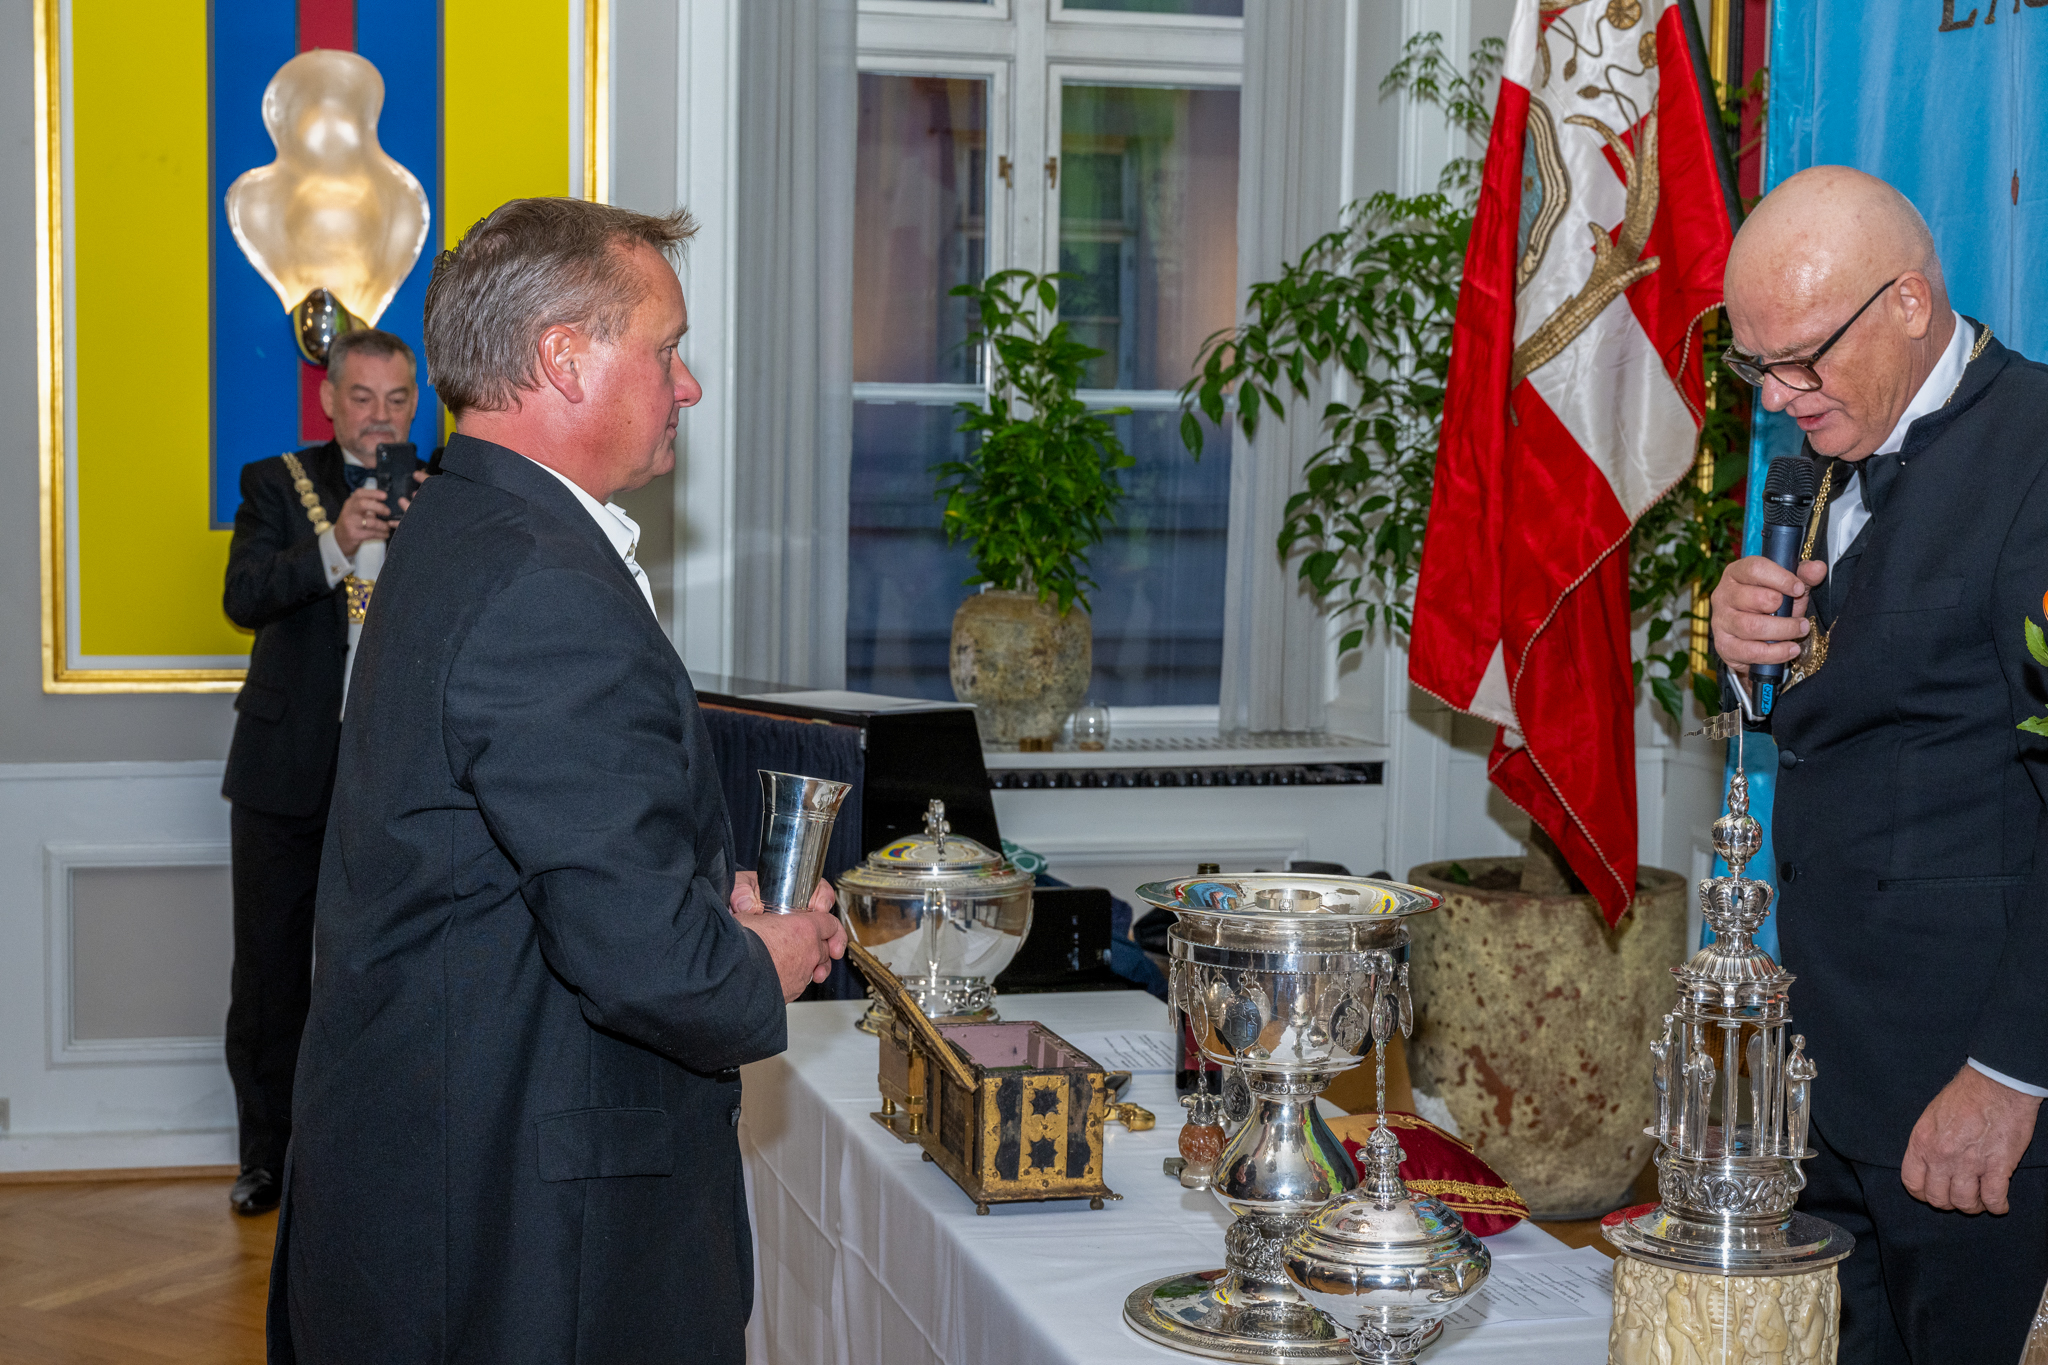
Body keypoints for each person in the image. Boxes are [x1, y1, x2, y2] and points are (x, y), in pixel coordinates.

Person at [266, 198, 844, 1365]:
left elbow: (529, 863)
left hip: (442, 1167)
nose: (688, 387)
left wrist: (695, 904)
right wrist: (761, 959)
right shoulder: (540, 582)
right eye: (666, 350)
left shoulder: (463, 522)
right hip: (519, 1230)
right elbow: (645, 961)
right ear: (564, 359)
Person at [1709, 165, 2048, 1361]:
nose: (1776, 396)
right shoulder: (1823, 454)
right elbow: (1852, 724)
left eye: (1801, 359)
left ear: (1908, 302)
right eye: (1754, 366)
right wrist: (1743, 651)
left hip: (1973, 1096)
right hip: (1827, 1080)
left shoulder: (2035, 456)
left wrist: (2007, 1076)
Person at [219, 327, 424, 1216]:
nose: (381, 416)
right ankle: (267, 1159)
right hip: (281, 770)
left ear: (417, 404)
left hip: (398, 777)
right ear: (330, 400)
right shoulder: (275, 482)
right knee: (270, 975)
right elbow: (242, 598)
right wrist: (336, 544)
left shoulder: (444, 490)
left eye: (398, 398)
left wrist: (426, 541)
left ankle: (366, 1157)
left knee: (389, 972)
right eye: (363, 397)